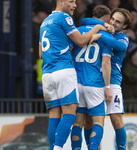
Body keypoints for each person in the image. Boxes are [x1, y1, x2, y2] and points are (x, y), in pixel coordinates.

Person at [39, 1, 107, 150]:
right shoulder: (64, 18)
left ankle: (53, 148)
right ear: (61, 1)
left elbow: (40, 54)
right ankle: (58, 148)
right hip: (63, 71)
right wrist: (97, 27)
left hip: (47, 74)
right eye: (71, 1)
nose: (75, 5)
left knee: (54, 117)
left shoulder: (44, 22)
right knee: (70, 115)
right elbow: (81, 41)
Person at [81, 8, 134, 150]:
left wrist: (99, 36)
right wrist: (102, 26)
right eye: (112, 19)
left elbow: (120, 46)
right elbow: (85, 21)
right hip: (95, 81)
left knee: (116, 121)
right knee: (89, 122)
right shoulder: (104, 28)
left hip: (113, 82)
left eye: (118, 22)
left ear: (124, 27)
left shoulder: (122, 38)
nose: (114, 23)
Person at [70, 5, 113, 150]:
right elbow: (105, 63)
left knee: (77, 123)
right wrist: (107, 88)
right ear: (107, 19)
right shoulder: (106, 36)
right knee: (98, 122)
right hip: (94, 83)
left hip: (76, 82)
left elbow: (69, 52)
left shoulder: (78, 31)